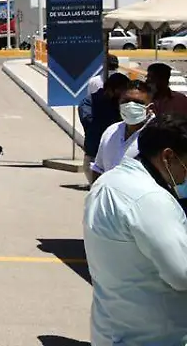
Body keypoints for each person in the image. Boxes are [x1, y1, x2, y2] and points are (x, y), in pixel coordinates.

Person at [83, 113, 187, 345]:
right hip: (153, 337)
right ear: (168, 156)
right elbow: (182, 275)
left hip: (112, 330)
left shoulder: (107, 182)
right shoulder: (150, 199)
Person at [92, 80, 154, 176]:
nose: (130, 106)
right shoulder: (111, 131)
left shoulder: (159, 135)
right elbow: (98, 169)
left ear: (150, 107)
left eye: (138, 102)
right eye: (126, 101)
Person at [80, 72, 131, 185]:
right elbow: (90, 125)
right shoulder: (89, 103)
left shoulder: (121, 104)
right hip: (95, 153)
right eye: (121, 90)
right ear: (111, 89)